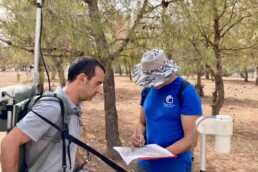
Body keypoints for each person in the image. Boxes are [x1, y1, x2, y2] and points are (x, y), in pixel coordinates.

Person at [1, 56, 105, 172]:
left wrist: (82, 164)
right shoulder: (52, 109)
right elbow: (9, 142)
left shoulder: (74, 107)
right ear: (82, 79)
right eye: (97, 83)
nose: (99, 90)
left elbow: (67, 140)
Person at [131, 49, 202, 172]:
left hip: (174, 166)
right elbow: (142, 123)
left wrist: (161, 153)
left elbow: (191, 139)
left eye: (155, 78)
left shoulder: (185, 91)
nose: (152, 83)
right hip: (145, 165)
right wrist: (138, 135)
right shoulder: (147, 90)